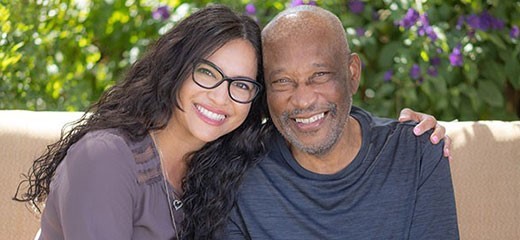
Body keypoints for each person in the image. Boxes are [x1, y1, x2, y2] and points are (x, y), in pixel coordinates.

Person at [13, 5, 449, 240]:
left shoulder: (219, 168)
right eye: (207, 74)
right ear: (174, 70)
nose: (221, 97)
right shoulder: (106, 158)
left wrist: (408, 138)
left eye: (241, 84)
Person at [225, 5, 459, 240]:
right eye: (282, 81)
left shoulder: (415, 152)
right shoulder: (238, 172)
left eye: (320, 75)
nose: (304, 101)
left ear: (352, 74)